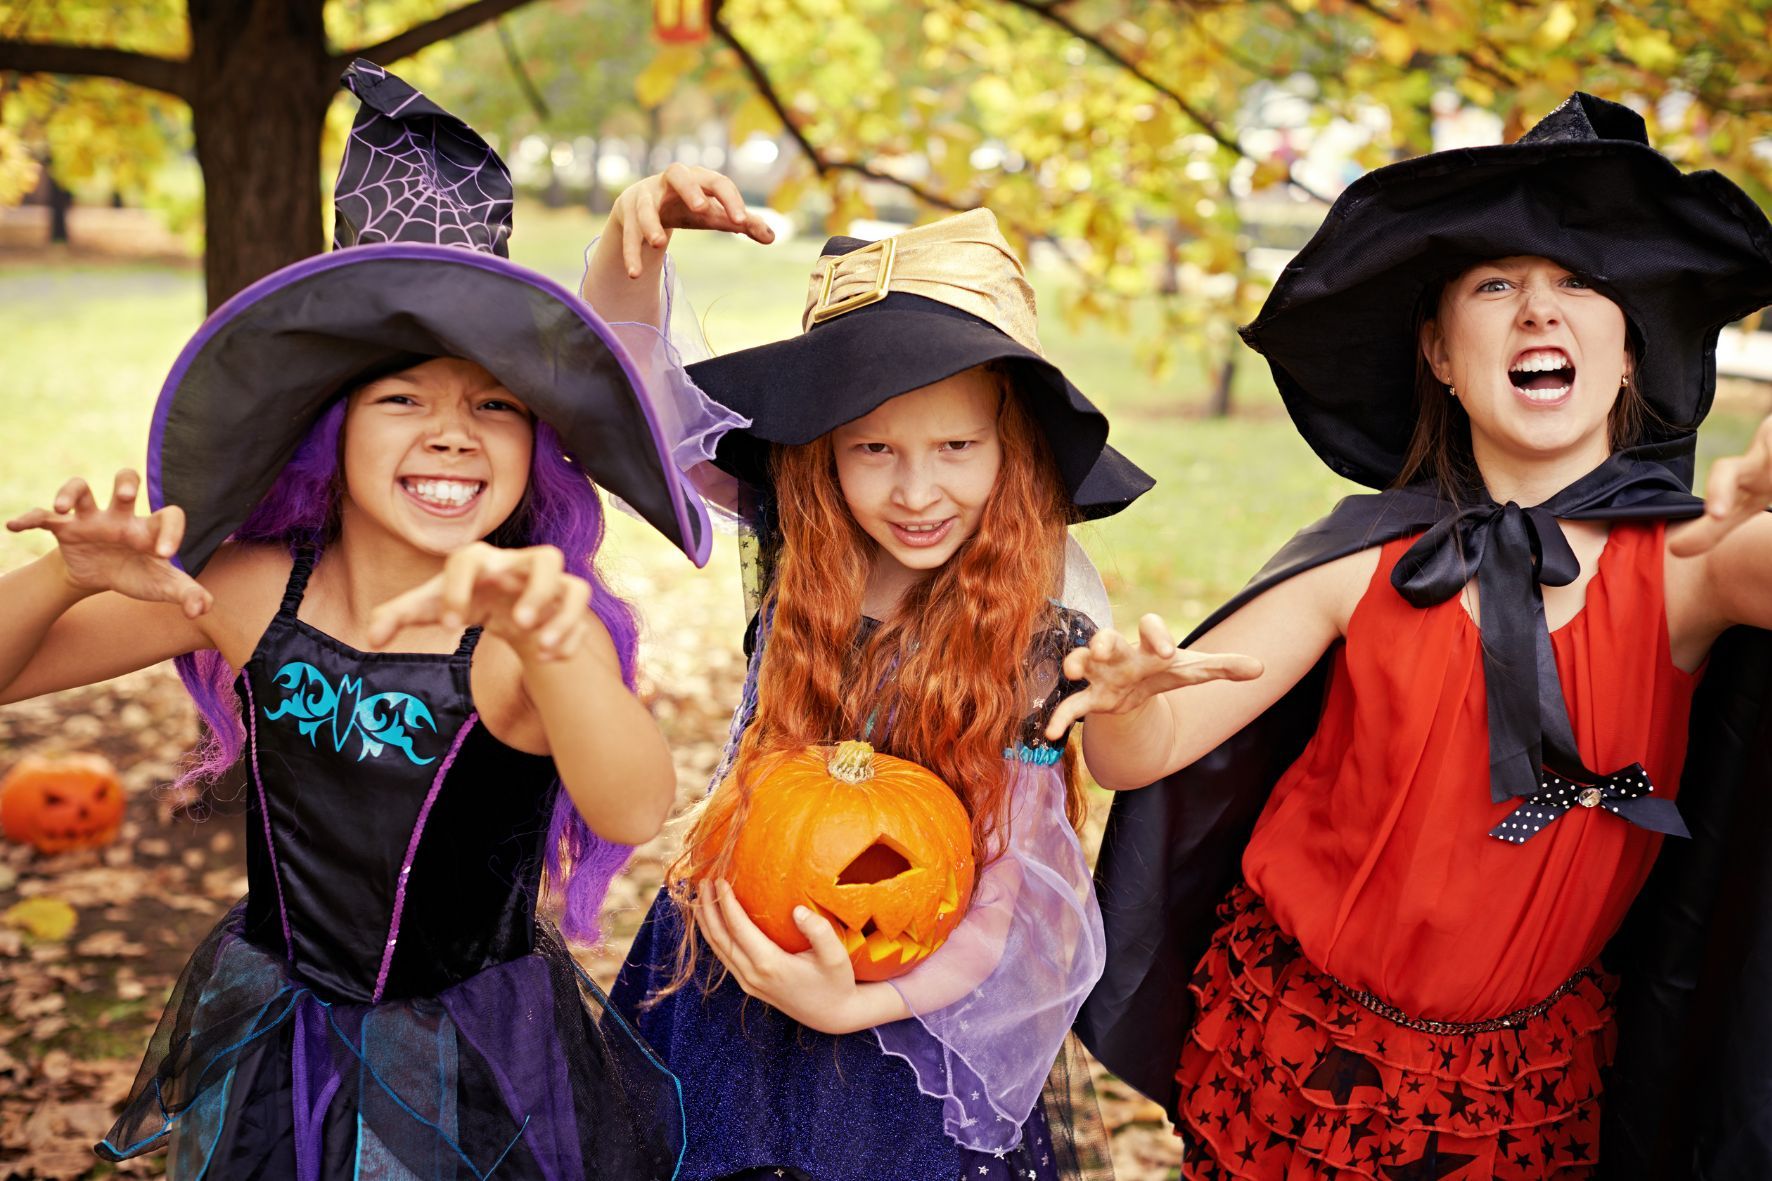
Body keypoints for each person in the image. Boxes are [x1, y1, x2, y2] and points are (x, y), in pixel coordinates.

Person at [0, 62, 729, 1179]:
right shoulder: (248, 592)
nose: (451, 433)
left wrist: (555, 641)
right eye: (404, 400)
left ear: (535, 443)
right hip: (275, 1033)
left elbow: (632, 800)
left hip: (471, 1061)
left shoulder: (523, 625)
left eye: (494, 405)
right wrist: (66, 574)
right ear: (327, 430)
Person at [1062, 93, 1772, 1178]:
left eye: (1578, 281)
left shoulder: (1687, 569)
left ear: (1632, 354)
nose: (1538, 310)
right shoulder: (1363, 559)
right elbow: (1141, 753)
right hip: (1304, 1040)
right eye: (1497, 285)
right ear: (1439, 353)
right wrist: (1122, 702)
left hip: (1518, 1079)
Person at [583, 178, 1220, 1181]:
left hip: (897, 1048)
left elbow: (1015, 898)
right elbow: (635, 405)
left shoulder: (1037, 644)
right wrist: (636, 247)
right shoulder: (800, 539)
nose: (915, 491)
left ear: (1011, 451)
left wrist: (853, 1002)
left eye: (956, 447)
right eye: (872, 448)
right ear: (820, 454)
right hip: (715, 996)